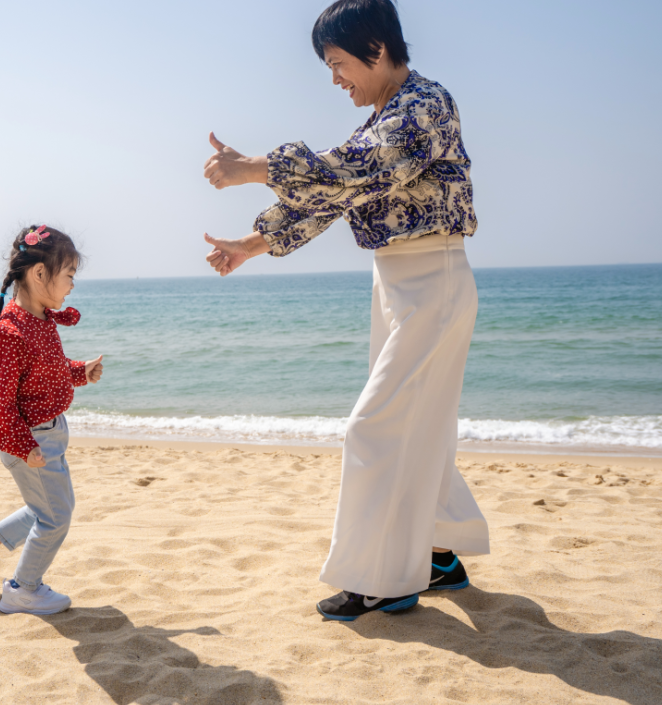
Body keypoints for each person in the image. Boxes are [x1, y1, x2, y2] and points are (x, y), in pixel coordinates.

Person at [202, 0, 489, 621]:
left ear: (377, 50)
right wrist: (248, 247)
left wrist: (253, 168)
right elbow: (330, 197)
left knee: (374, 427)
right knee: (421, 428)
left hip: (433, 279)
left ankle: (383, 578)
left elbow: (358, 169)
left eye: (338, 64)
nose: (335, 79)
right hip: (400, 284)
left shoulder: (423, 106)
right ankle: (438, 554)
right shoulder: (382, 116)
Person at [0, 224, 104, 616]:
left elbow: (46, 372)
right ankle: (23, 589)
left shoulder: (40, 319)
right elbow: (1, 404)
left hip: (49, 434)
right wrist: (25, 447)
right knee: (55, 518)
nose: (72, 285)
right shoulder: (9, 332)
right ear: (40, 273)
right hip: (30, 440)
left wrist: (78, 372)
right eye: (69, 275)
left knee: (52, 509)